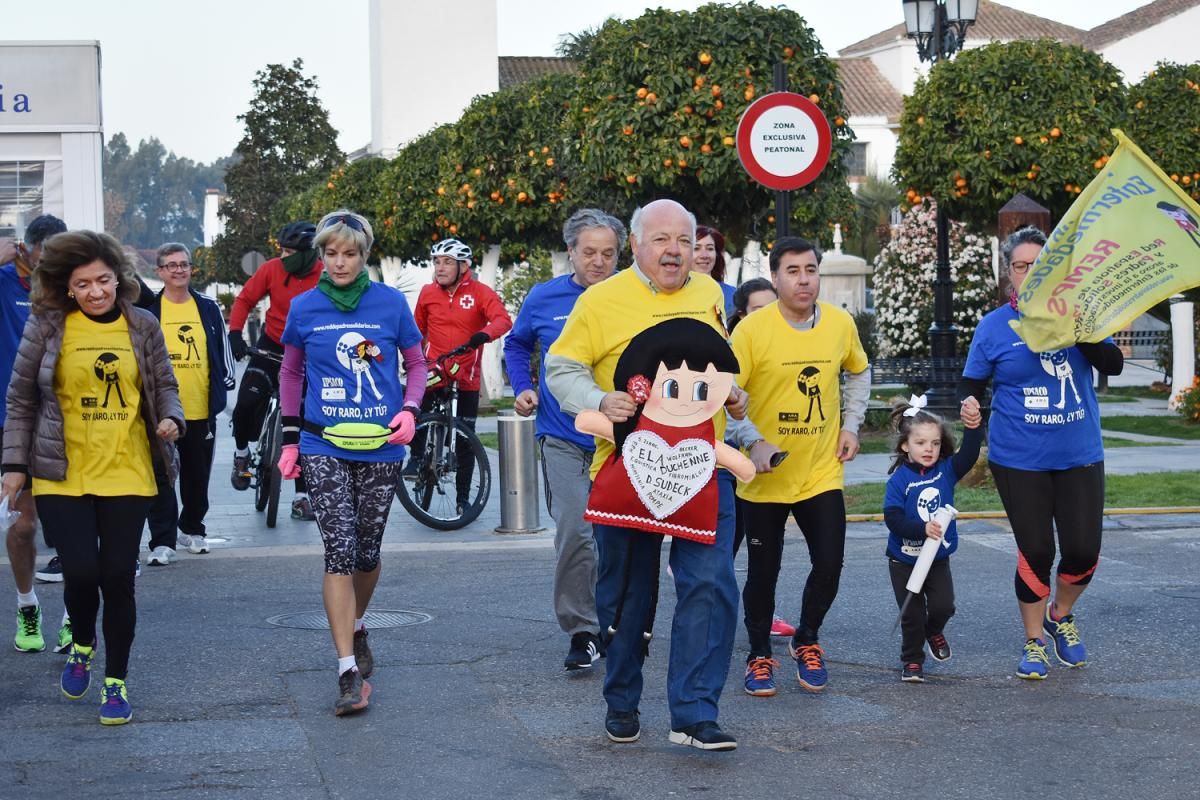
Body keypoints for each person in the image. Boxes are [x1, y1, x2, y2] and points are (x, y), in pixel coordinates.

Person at [547, 198, 749, 751]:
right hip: (627, 470)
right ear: (635, 245)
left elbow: (716, 366)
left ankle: (694, 713)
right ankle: (622, 700)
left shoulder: (710, 294)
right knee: (626, 595)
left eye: (683, 240)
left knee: (710, 584)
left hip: (701, 467)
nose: (674, 251)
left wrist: (732, 396)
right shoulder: (600, 301)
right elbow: (560, 367)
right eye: (661, 240)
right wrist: (597, 398)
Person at [1, 230, 183, 725]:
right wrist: (14, 466)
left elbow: (165, 383)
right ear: (66, 287)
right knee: (80, 572)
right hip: (62, 472)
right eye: (83, 284)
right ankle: (83, 643)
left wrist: (172, 418)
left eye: (103, 280)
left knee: (117, 578)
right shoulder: (47, 326)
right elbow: (20, 400)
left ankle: (116, 683)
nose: (96, 291)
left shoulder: (142, 324)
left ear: (118, 279)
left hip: (128, 470)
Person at [277, 210, 426, 716]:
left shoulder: (390, 304)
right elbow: (292, 375)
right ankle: (345, 668)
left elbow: (418, 363)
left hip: (381, 445)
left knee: (366, 552)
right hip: (324, 446)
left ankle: (357, 624)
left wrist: (409, 410)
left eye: (350, 253)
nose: (340, 262)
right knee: (338, 551)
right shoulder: (304, 307)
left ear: (365, 256)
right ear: (320, 256)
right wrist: (292, 442)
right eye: (331, 253)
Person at [959, 225, 1123, 680]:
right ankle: (1034, 642)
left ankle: (1060, 614)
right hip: (1018, 458)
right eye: (1021, 265)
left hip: (1079, 453)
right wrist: (969, 403)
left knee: (1083, 551)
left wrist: (1075, 328)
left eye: (1039, 265)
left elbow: (1113, 364)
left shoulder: (1081, 315)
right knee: (1035, 550)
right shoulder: (994, 326)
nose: (1030, 273)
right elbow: (972, 383)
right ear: (1008, 273)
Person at [728, 236, 870, 697]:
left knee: (829, 563)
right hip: (765, 477)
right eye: (793, 271)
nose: (804, 279)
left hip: (820, 470)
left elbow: (858, 370)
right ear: (775, 277)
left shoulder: (839, 324)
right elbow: (725, 400)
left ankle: (807, 640)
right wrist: (753, 443)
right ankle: (758, 655)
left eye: (810, 270)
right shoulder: (751, 331)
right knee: (763, 573)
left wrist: (850, 425)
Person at [504, 208, 624, 671]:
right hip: (563, 438)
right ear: (570, 252)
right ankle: (582, 629)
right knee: (576, 531)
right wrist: (523, 387)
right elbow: (517, 344)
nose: (598, 261)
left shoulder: (632, 299)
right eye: (589, 252)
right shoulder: (544, 297)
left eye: (609, 253)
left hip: (620, 441)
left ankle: (617, 621)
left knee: (617, 538)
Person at [1, 215, 70, 653]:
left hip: (64, 420)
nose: (53, 266)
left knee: (70, 529)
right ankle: (28, 606)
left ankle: (73, 616)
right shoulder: (5, 280)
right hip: (10, 423)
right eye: (47, 257)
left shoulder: (73, 286)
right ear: (25, 250)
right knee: (23, 527)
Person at [144, 243, 236, 562]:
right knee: (162, 477)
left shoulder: (207, 307)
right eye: (171, 265)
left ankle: (193, 529)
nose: (179, 270)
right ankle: (161, 542)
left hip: (200, 409)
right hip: (162, 413)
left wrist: (225, 383)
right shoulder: (150, 311)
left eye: (184, 264)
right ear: (160, 272)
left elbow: (221, 348)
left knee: (197, 476)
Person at [227, 221, 322, 521]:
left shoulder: (325, 275)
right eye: (282, 250)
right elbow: (244, 300)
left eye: (290, 252)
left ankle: (301, 497)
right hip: (271, 345)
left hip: (307, 351)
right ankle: (242, 455)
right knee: (245, 403)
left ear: (308, 254)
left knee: (303, 426)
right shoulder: (271, 269)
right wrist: (235, 334)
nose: (284, 256)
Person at [884, 394, 981, 682]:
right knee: (911, 614)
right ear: (905, 446)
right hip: (903, 559)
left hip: (936, 558)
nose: (929, 449)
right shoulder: (899, 480)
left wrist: (974, 426)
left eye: (935, 443)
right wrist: (921, 529)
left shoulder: (946, 470)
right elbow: (893, 518)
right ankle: (912, 660)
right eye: (921, 443)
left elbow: (969, 454)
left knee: (943, 606)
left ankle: (934, 630)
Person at [411, 238, 512, 512]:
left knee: (467, 437)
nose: (440, 267)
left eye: (447, 262)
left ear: (463, 266)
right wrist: (413, 362)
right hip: (435, 368)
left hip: (467, 375)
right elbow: (416, 331)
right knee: (415, 408)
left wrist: (484, 334)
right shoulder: (428, 292)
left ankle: (463, 499)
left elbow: (503, 319)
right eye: (436, 262)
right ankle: (416, 457)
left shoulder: (480, 292)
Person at [694, 225, 736, 320]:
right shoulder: (673, 294)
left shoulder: (733, 296)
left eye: (710, 249)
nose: (704, 255)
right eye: (696, 248)